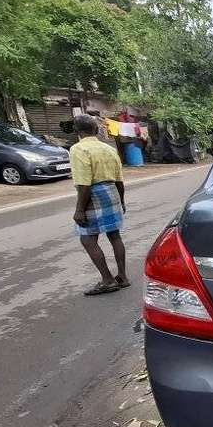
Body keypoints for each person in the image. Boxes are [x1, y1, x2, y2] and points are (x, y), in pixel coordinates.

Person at [69, 114, 130, 295]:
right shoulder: (109, 149)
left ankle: (108, 280)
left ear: (77, 131)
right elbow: (119, 180)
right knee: (114, 235)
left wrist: (79, 210)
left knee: (87, 238)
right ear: (96, 130)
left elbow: (84, 183)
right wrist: (122, 201)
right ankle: (123, 277)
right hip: (112, 191)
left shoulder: (78, 149)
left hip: (92, 193)